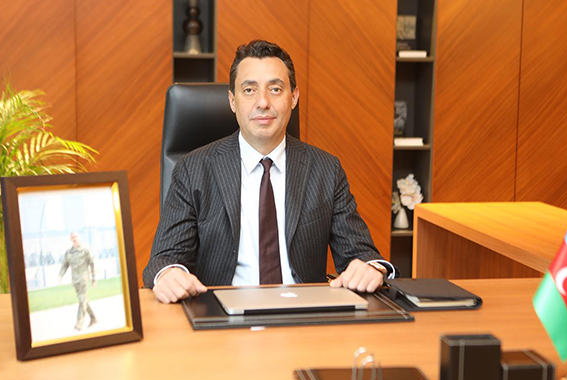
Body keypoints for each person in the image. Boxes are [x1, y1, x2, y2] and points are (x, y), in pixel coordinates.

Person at [143, 39, 395, 304]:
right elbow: (165, 258)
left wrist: (371, 268)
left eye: (275, 89)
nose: (262, 102)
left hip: (304, 312)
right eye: (249, 90)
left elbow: (361, 254)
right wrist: (169, 274)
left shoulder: (326, 170)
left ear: (293, 97)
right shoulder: (193, 169)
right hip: (221, 315)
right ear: (232, 101)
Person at [59, 232, 97, 330]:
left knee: (81, 299)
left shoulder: (85, 249)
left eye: (75, 236)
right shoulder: (68, 252)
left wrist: (94, 278)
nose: (74, 238)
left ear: (79, 237)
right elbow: (64, 265)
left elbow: (92, 263)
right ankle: (93, 318)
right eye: (72, 237)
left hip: (84, 278)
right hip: (75, 280)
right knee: (83, 300)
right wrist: (60, 275)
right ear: (70, 239)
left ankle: (79, 323)